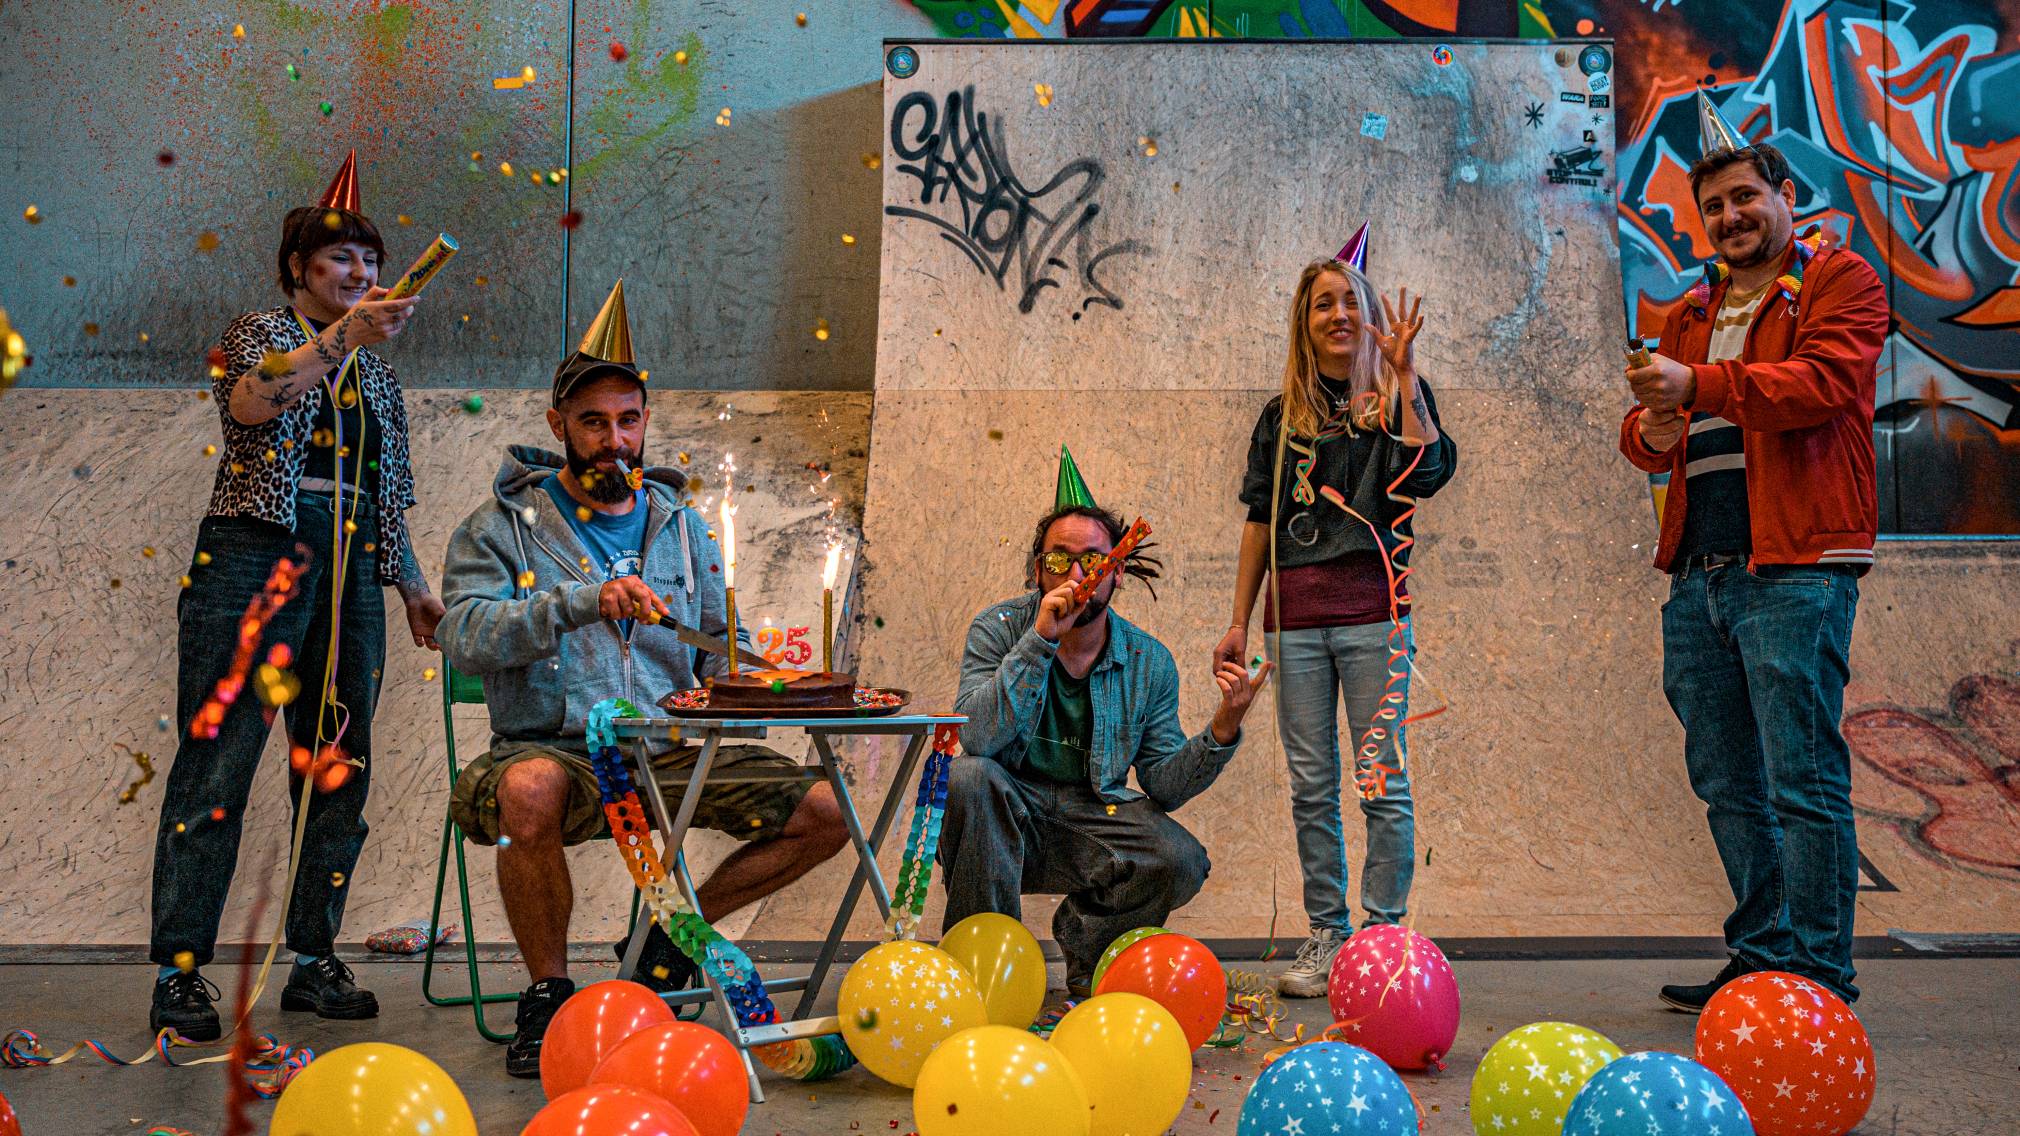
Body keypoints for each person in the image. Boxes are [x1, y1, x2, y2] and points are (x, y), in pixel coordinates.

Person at [437, 281, 852, 1077]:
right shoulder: (499, 529)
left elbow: (716, 649)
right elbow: (464, 638)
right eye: (593, 423)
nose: (614, 441)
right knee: (525, 791)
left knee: (829, 810)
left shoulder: (680, 522)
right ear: (558, 426)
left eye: (629, 421)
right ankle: (549, 997)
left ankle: (668, 935)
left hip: (667, 748)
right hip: (553, 748)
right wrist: (577, 603)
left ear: (645, 424)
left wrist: (762, 686)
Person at [148, 151, 442, 1041]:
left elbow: (386, 492)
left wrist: (413, 587)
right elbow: (249, 405)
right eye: (339, 260)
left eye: (368, 261)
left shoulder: (380, 377)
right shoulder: (256, 334)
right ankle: (180, 972)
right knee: (220, 759)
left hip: (351, 566)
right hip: (254, 557)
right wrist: (341, 340)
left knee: (339, 762)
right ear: (297, 273)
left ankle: (313, 957)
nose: (360, 274)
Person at [1621, 98, 1886, 1010]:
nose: (1731, 218)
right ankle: (1766, 954)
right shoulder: (1691, 309)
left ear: (1783, 195)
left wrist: (1694, 385)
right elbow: (1654, 440)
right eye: (1715, 209)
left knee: (1803, 777)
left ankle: (1818, 978)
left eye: (1745, 199)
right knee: (1729, 781)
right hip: (1701, 575)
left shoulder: (1837, 281)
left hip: (1798, 568)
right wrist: (1652, 426)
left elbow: (1822, 384)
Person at [1213, 237, 1458, 998]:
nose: (1340, 313)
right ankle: (1328, 933)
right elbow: (1260, 519)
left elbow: (1432, 470)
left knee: (1381, 781)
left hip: (1374, 619)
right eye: (1324, 302)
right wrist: (1239, 619)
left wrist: (1405, 375)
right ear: (1304, 321)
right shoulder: (1278, 418)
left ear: (1373, 313)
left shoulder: (1394, 399)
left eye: (1352, 299)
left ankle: (1382, 936)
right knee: (1311, 786)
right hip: (1294, 625)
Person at [940, 448, 1270, 997]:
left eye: (1092, 561)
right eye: (1057, 561)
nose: (1075, 576)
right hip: (1005, 812)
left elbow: (1162, 784)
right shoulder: (997, 629)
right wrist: (1039, 641)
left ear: (1117, 571)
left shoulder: (1148, 661)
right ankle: (984, 972)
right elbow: (975, 738)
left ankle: (1089, 954)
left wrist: (1223, 728)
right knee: (969, 776)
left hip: (1092, 815)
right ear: (1035, 568)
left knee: (1181, 859)